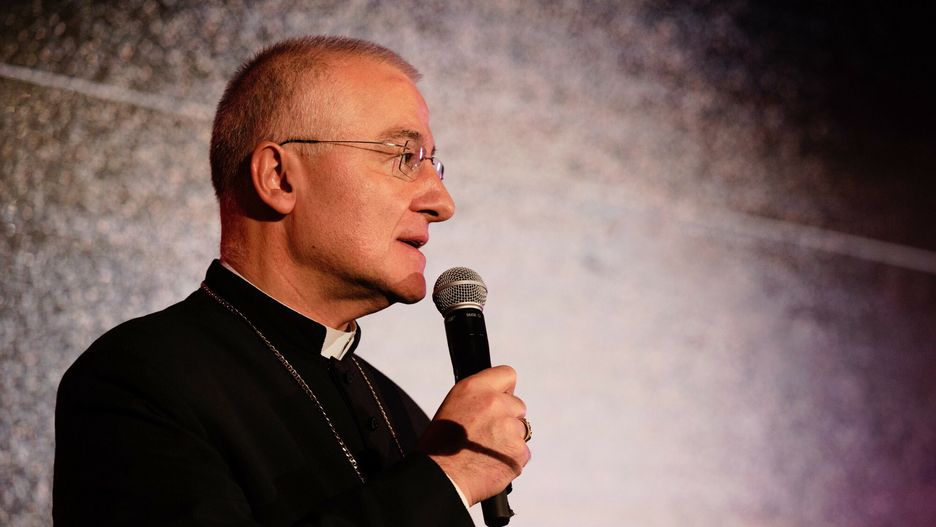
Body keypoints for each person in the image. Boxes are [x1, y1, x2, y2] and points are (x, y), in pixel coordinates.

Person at [53, 36, 531, 526]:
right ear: (278, 177)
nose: (442, 203)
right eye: (403, 157)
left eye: (434, 164)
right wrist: (446, 479)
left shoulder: (405, 417)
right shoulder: (139, 381)